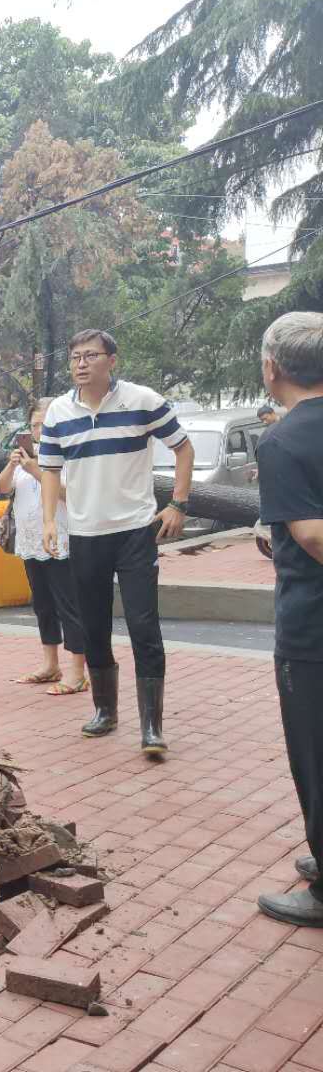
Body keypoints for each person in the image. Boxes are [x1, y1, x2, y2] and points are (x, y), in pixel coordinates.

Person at [39, 329, 195, 757]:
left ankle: (152, 726)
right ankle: (105, 711)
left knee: (144, 626)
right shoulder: (57, 411)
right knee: (93, 627)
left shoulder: (142, 401)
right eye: (74, 357)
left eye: (90, 355)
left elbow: (183, 448)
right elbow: (50, 469)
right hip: (86, 535)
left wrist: (178, 503)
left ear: (112, 360)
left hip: (134, 532)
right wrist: (50, 520)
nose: (81, 364)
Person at [253, 312, 323, 926]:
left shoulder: (283, 440)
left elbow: (312, 534)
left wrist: (290, 536)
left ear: (273, 369)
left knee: (315, 755)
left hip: (312, 630)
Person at [0, 399, 88, 695]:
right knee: (43, 605)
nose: (40, 429)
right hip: (31, 542)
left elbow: (73, 497)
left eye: (45, 423)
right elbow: (2, 488)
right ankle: (50, 664)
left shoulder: (70, 456)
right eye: (35, 424)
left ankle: (78, 672)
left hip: (62, 543)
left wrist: (37, 470)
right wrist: (14, 466)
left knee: (69, 606)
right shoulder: (25, 459)